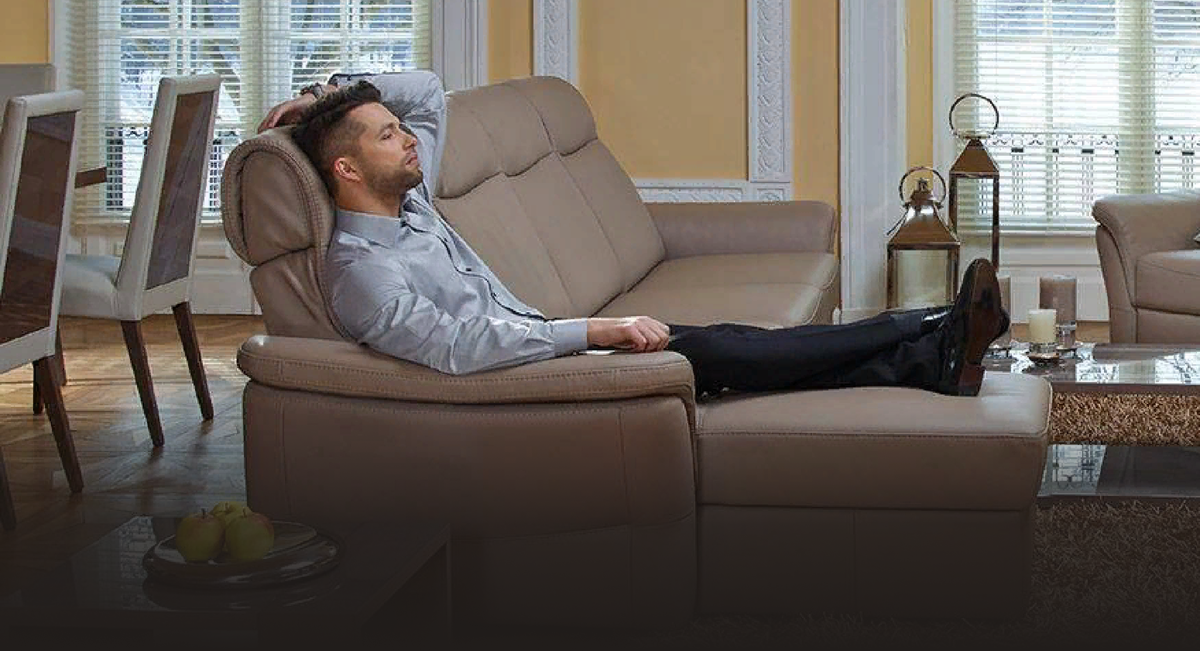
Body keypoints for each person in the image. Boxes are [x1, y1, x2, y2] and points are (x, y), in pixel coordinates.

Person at [259, 72, 1008, 398]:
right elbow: (460, 348)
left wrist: (326, 96)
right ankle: (929, 329)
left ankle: (930, 353)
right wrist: (596, 331)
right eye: (389, 136)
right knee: (734, 353)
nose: (409, 139)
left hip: (549, 347)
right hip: (526, 379)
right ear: (348, 169)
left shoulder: (411, 204)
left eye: (401, 131)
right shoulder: (362, 272)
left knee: (740, 351)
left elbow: (425, 89)